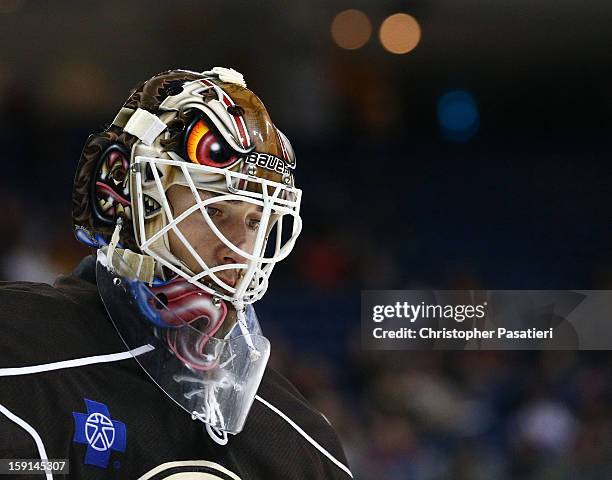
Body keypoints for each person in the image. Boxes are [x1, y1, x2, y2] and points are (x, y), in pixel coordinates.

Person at [0, 67, 353, 479]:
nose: (239, 246)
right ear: (130, 198)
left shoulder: (305, 447)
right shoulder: (16, 353)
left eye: (257, 221)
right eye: (215, 210)